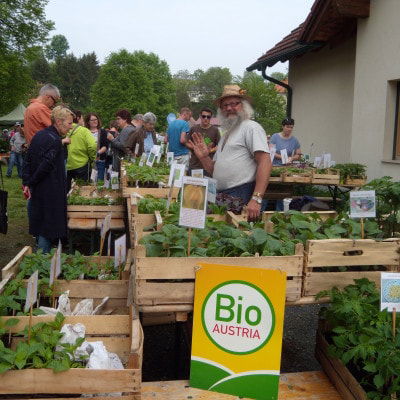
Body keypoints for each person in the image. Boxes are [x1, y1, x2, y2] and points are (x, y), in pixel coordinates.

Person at [188, 84, 271, 220]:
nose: (229, 108)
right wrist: (204, 157)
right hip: (222, 193)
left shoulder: (251, 128)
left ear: (243, 105)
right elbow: (215, 169)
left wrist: (256, 199)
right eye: (224, 105)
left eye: (234, 104)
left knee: (197, 215)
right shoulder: (227, 133)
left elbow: (265, 161)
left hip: (239, 194)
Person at [22, 106, 74, 253]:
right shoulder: (55, 141)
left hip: (39, 189)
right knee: (48, 226)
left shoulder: (39, 135)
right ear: (58, 121)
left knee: (41, 223)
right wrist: (30, 182)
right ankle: (42, 261)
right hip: (49, 190)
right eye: (69, 123)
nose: (71, 127)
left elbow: (28, 160)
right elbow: (44, 167)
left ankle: (42, 255)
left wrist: (27, 182)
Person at [66, 110, 97, 190]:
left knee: (66, 190)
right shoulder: (84, 130)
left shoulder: (64, 129)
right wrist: (92, 158)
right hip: (82, 164)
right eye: (82, 119)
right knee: (83, 189)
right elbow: (92, 146)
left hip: (66, 165)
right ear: (78, 118)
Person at [188, 107, 220, 176]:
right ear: (200, 117)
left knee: (208, 186)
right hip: (194, 165)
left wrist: (209, 151)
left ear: (210, 118)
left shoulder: (215, 130)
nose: (206, 118)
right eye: (203, 116)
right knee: (192, 186)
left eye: (208, 117)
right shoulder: (194, 128)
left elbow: (219, 146)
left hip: (208, 166)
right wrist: (194, 148)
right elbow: (187, 142)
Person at [85, 112, 109, 181]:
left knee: (99, 181)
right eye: (92, 120)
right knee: (88, 181)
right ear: (88, 122)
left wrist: (98, 153)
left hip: (99, 160)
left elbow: (105, 146)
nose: (95, 121)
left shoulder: (102, 132)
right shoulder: (85, 132)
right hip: (87, 162)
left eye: (96, 119)